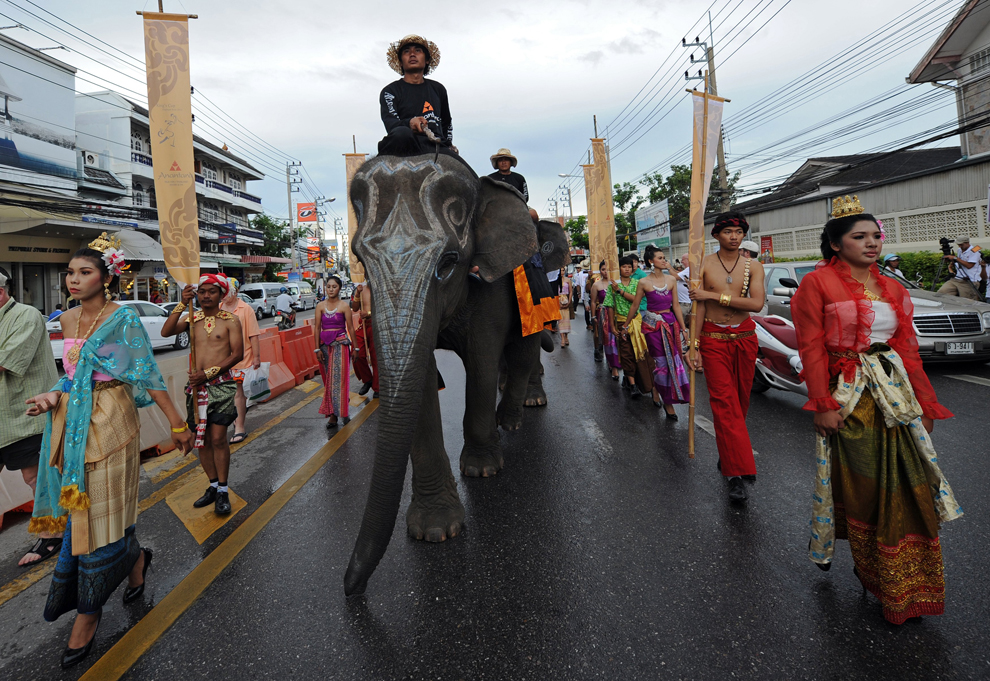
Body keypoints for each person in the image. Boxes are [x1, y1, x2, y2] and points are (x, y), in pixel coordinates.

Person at [791, 195, 961, 625]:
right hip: (849, 398)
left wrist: (926, 404)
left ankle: (907, 584)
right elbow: (810, 346)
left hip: (896, 397)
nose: (872, 243)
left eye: (875, 236)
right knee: (866, 488)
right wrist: (823, 404)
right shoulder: (817, 284)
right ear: (835, 244)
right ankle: (875, 573)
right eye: (859, 237)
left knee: (908, 486)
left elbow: (908, 350)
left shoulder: (893, 288)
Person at [25, 236, 192, 668]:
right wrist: (50, 395)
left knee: (98, 512)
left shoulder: (122, 320)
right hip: (70, 422)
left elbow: (147, 375)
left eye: (84, 272)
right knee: (96, 510)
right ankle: (135, 562)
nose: (73, 279)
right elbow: (73, 375)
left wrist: (177, 423)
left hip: (111, 422)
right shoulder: (66, 319)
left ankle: (89, 611)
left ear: (108, 277)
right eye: (70, 272)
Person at [687, 212, 767, 502]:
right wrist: (692, 346)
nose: (734, 236)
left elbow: (756, 303)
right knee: (725, 405)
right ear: (716, 235)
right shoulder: (703, 265)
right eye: (728, 231)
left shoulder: (753, 266)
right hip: (713, 340)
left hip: (745, 338)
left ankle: (730, 455)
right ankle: (736, 473)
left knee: (741, 404)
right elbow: (699, 310)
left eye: (739, 232)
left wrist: (712, 296)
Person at [162, 274, 243, 516]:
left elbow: (236, 355)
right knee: (203, 440)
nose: (206, 296)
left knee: (218, 438)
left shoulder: (231, 320)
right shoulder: (191, 318)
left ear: (221, 295)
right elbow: (166, 331)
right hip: (196, 388)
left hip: (221, 385)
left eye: (212, 291)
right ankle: (212, 485)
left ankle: (223, 491)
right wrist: (180, 302)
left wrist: (208, 374)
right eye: (202, 291)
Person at [0, 266, 62, 567]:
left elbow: (4, 362)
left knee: (34, 477)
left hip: (24, 415)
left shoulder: (25, 315)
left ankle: (52, 535)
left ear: (0, 292)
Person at [624, 247, 690, 418]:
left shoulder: (671, 280)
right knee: (661, 364)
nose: (664, 260)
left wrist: (684, 329)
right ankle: (667, 403)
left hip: (671, 325)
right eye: (660, 258)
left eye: (664, 257)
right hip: (652, 327)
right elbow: (635, 306)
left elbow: (675, 306)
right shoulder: (644, 282)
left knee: (674, 362)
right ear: (651, 261)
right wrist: (626, 325)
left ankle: (656, 389)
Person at [378, 35, 454, 156]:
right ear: (401, 62)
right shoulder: (390, 91)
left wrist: (449, 144)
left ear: (427, 60)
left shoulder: (439, 89)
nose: (412, 54)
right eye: (406, 51)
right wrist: (410, 123)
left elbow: (446, 123)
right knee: (401, 133)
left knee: (468, 173)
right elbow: (391, 124)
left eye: (418, 51)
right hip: (403, 142)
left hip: (434, 145)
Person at [605, 256, 654, 398]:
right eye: (624, 266)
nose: (627, 269)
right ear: (619, 269)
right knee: (626, 353)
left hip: (637, 322)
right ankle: (632, 385)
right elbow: (610, 306)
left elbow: (636, 301)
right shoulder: (612, 285)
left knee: (642, 352)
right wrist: (613, 327)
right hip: (621, 323)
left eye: (629, 266)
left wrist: (620, 291)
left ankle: (644, 382)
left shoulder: (638, 283)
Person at [220, 278, 261, 444]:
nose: (223, 295)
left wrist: (257, 357)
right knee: (228, 394)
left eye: (226, 291)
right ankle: (236, 419)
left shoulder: (246, 309)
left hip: (242, 359)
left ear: (235, 292)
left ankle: (240, 428)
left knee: (238, 393)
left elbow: (254, 335)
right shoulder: (218, 308)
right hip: (222, 360)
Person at [314, 276, 357, 432]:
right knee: (329, 381)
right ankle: (333, 412)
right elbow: (317, 328)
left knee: (339, 380)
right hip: (325, 347)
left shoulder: (344, 306)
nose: (331, 289)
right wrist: (316, 349)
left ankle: (340, 412)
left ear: (339, 288)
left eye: (334, 286)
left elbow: (351, 329)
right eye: (329, 286)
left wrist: (356, 348)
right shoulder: (319, 306)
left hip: (340, 345)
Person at [589, 261, 619, 376]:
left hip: (617, 314)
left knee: (617, 340)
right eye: (603, 269)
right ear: (600, 271)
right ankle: (612, 364)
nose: (605, 272)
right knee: (608, 340)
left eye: (607, 269)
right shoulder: (596, 285)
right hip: (603, 314)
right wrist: (593, 316)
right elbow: (592, 302)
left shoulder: (617, 283)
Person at [350, 284, 377, 397]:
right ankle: (367, 380)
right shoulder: (362, 288)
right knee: (357, 353)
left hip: (377, 325)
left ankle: (378, 387)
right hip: (364, 326)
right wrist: (357, 293)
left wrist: (369, 313)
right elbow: (355, 308)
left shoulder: (381, 287)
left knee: (376, 357)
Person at [937, 235, 981, 300]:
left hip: (970, 280)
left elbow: (969, 266)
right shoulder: (959, 250)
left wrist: (955, 258)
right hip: (957, 278)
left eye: (961, 244)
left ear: (967, 242)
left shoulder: (975, 250)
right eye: (958, 244)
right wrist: (950, 259)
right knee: (941, 294)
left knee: (967, 302)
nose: (960, 246)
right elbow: (959, 261)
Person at [557, 268, 572, 347]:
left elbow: (571, 292)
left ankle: (566, 336)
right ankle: (562, 338)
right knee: (560, 321)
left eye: (563, 270)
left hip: (566, 300)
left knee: (566, 320)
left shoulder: (567, 280)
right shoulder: (556, 280)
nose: (561, 272)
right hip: (558, 301)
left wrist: (569, 302)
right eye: (560, 270)